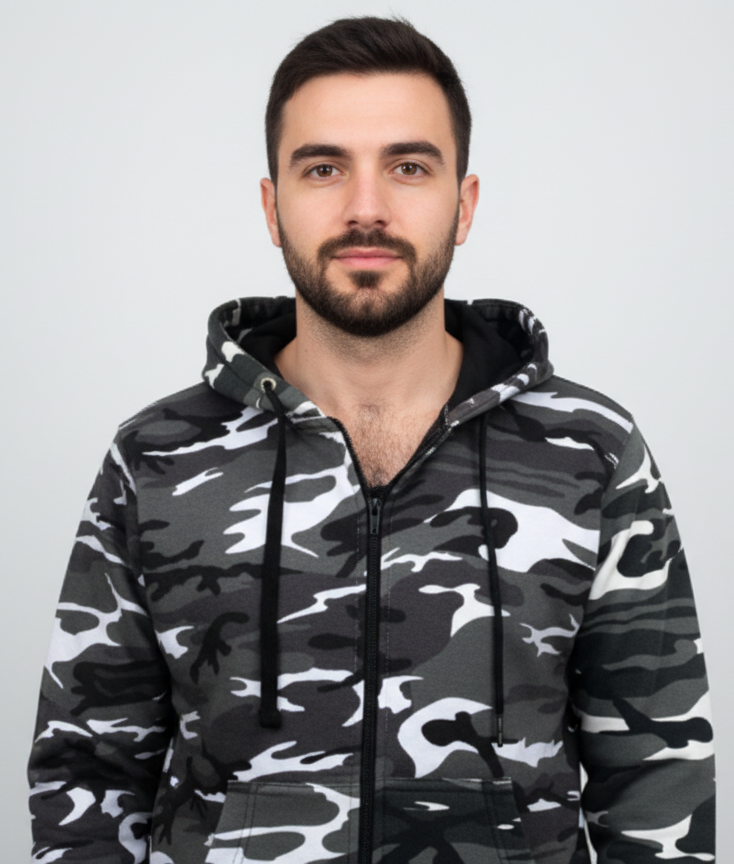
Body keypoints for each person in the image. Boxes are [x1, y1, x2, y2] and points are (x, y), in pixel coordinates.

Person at [28, 16, 715, 864]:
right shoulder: (157, 457)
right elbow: (86, 772)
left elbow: (659, 772)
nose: (366, 209)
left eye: (408, 166)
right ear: (272, 206)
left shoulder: (591, 451)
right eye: (323, 168)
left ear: (463, 204)